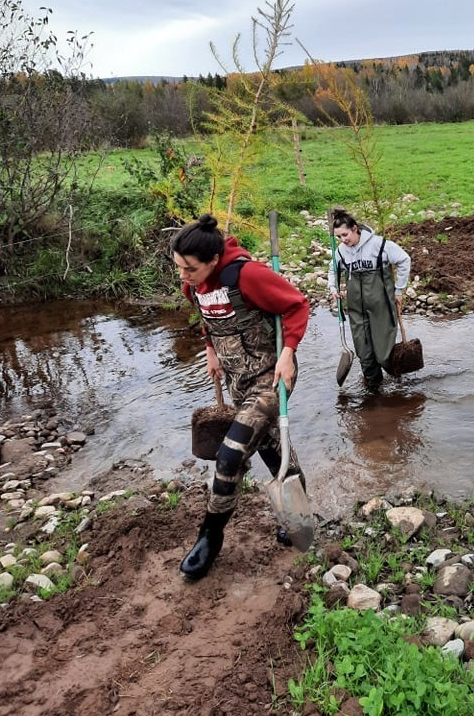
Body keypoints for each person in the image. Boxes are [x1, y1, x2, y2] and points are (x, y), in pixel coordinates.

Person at [171, 213, 309, 580]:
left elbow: (297, 304)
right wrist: (211, 349)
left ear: (213, 261)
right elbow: (206, 318)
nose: (183, 276)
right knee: (269, 445)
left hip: (271, 377)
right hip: (239, 382)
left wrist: (288, 352)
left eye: (189, 268)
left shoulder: (246, 275)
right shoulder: (194, 286)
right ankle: (298, 514)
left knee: (231, 454)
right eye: (179, 267)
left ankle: (209, 537)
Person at [327, 208, 411, 390]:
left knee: (383, 354)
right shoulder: (341, 251)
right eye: (339, 237)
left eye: (345, 234)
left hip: (381, 305)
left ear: (355, 228)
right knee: (364, 355)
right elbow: (333, 269)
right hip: (356, 308)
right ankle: (374, 393)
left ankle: (399, 383)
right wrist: (333, 288)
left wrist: (398, 290)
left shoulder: (380, 245)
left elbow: (404, 259)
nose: (343, 240)